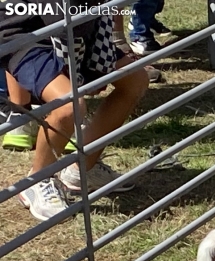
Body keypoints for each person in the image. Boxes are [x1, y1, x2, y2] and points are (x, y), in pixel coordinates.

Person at [0, 0, 149, 221]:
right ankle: (36, 181)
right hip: (28, 35)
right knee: (69, 106)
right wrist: (82, 68)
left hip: (80, 29)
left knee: (135, 80)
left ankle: (82, 169)